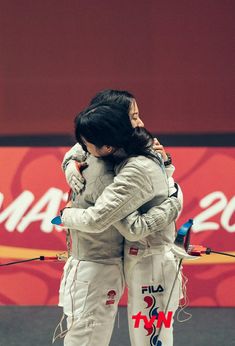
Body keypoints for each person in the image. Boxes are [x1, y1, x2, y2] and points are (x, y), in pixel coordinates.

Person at [59, 103, 183, 346]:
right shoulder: (102, 156)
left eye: (136, 115)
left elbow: (117, 223)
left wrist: (64, 216)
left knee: (151, 338)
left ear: (107, 144)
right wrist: (68, 164)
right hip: (109, 259)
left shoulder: (132, 167)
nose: (139, 122)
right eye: (133, 116)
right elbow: (78, 148)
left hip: (149, 259)